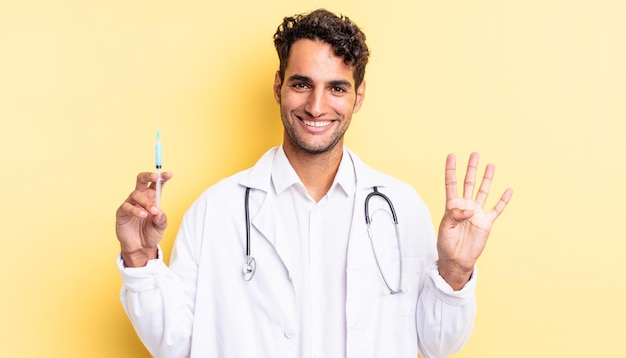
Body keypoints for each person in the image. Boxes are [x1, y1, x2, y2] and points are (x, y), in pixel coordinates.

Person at [115, 8, 512, 358]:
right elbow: (173, 344)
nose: (317, 106)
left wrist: (456, 270)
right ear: (278, 87)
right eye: (302, 83)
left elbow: (438, 344)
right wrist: (138, 257)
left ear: (358, 98)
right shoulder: (215, 211)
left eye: (336, 87)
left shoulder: (401, 210)